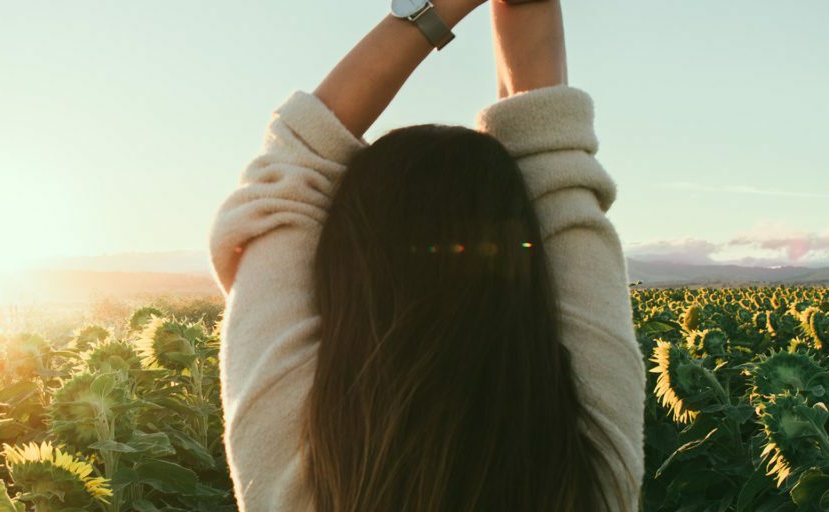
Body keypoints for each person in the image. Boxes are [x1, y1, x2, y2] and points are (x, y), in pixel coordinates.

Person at [207, 0, 646, 510]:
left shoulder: (292, 464)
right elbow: (554, 154)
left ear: (342, 260)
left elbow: (293, 162)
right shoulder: (592, 460)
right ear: (527, 258)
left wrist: (433, 9)